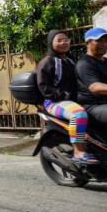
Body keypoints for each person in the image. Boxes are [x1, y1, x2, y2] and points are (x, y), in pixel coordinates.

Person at [36, 29, 95, 164]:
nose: (64, 43)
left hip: (73, 100)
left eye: (66, 40)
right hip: (54, 102)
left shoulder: (70, 61)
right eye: (59, 40)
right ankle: (79, 151)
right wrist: (63, 95)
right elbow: (44, 87)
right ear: (51, 43)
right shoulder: (47, 62)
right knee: (78, 114)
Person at [76, 27, 107, 139]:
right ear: (87, 43)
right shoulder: (85, 64)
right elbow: (95, 87)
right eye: (99, 41)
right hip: (95, 105)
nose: (104, 44)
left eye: (106, 41)